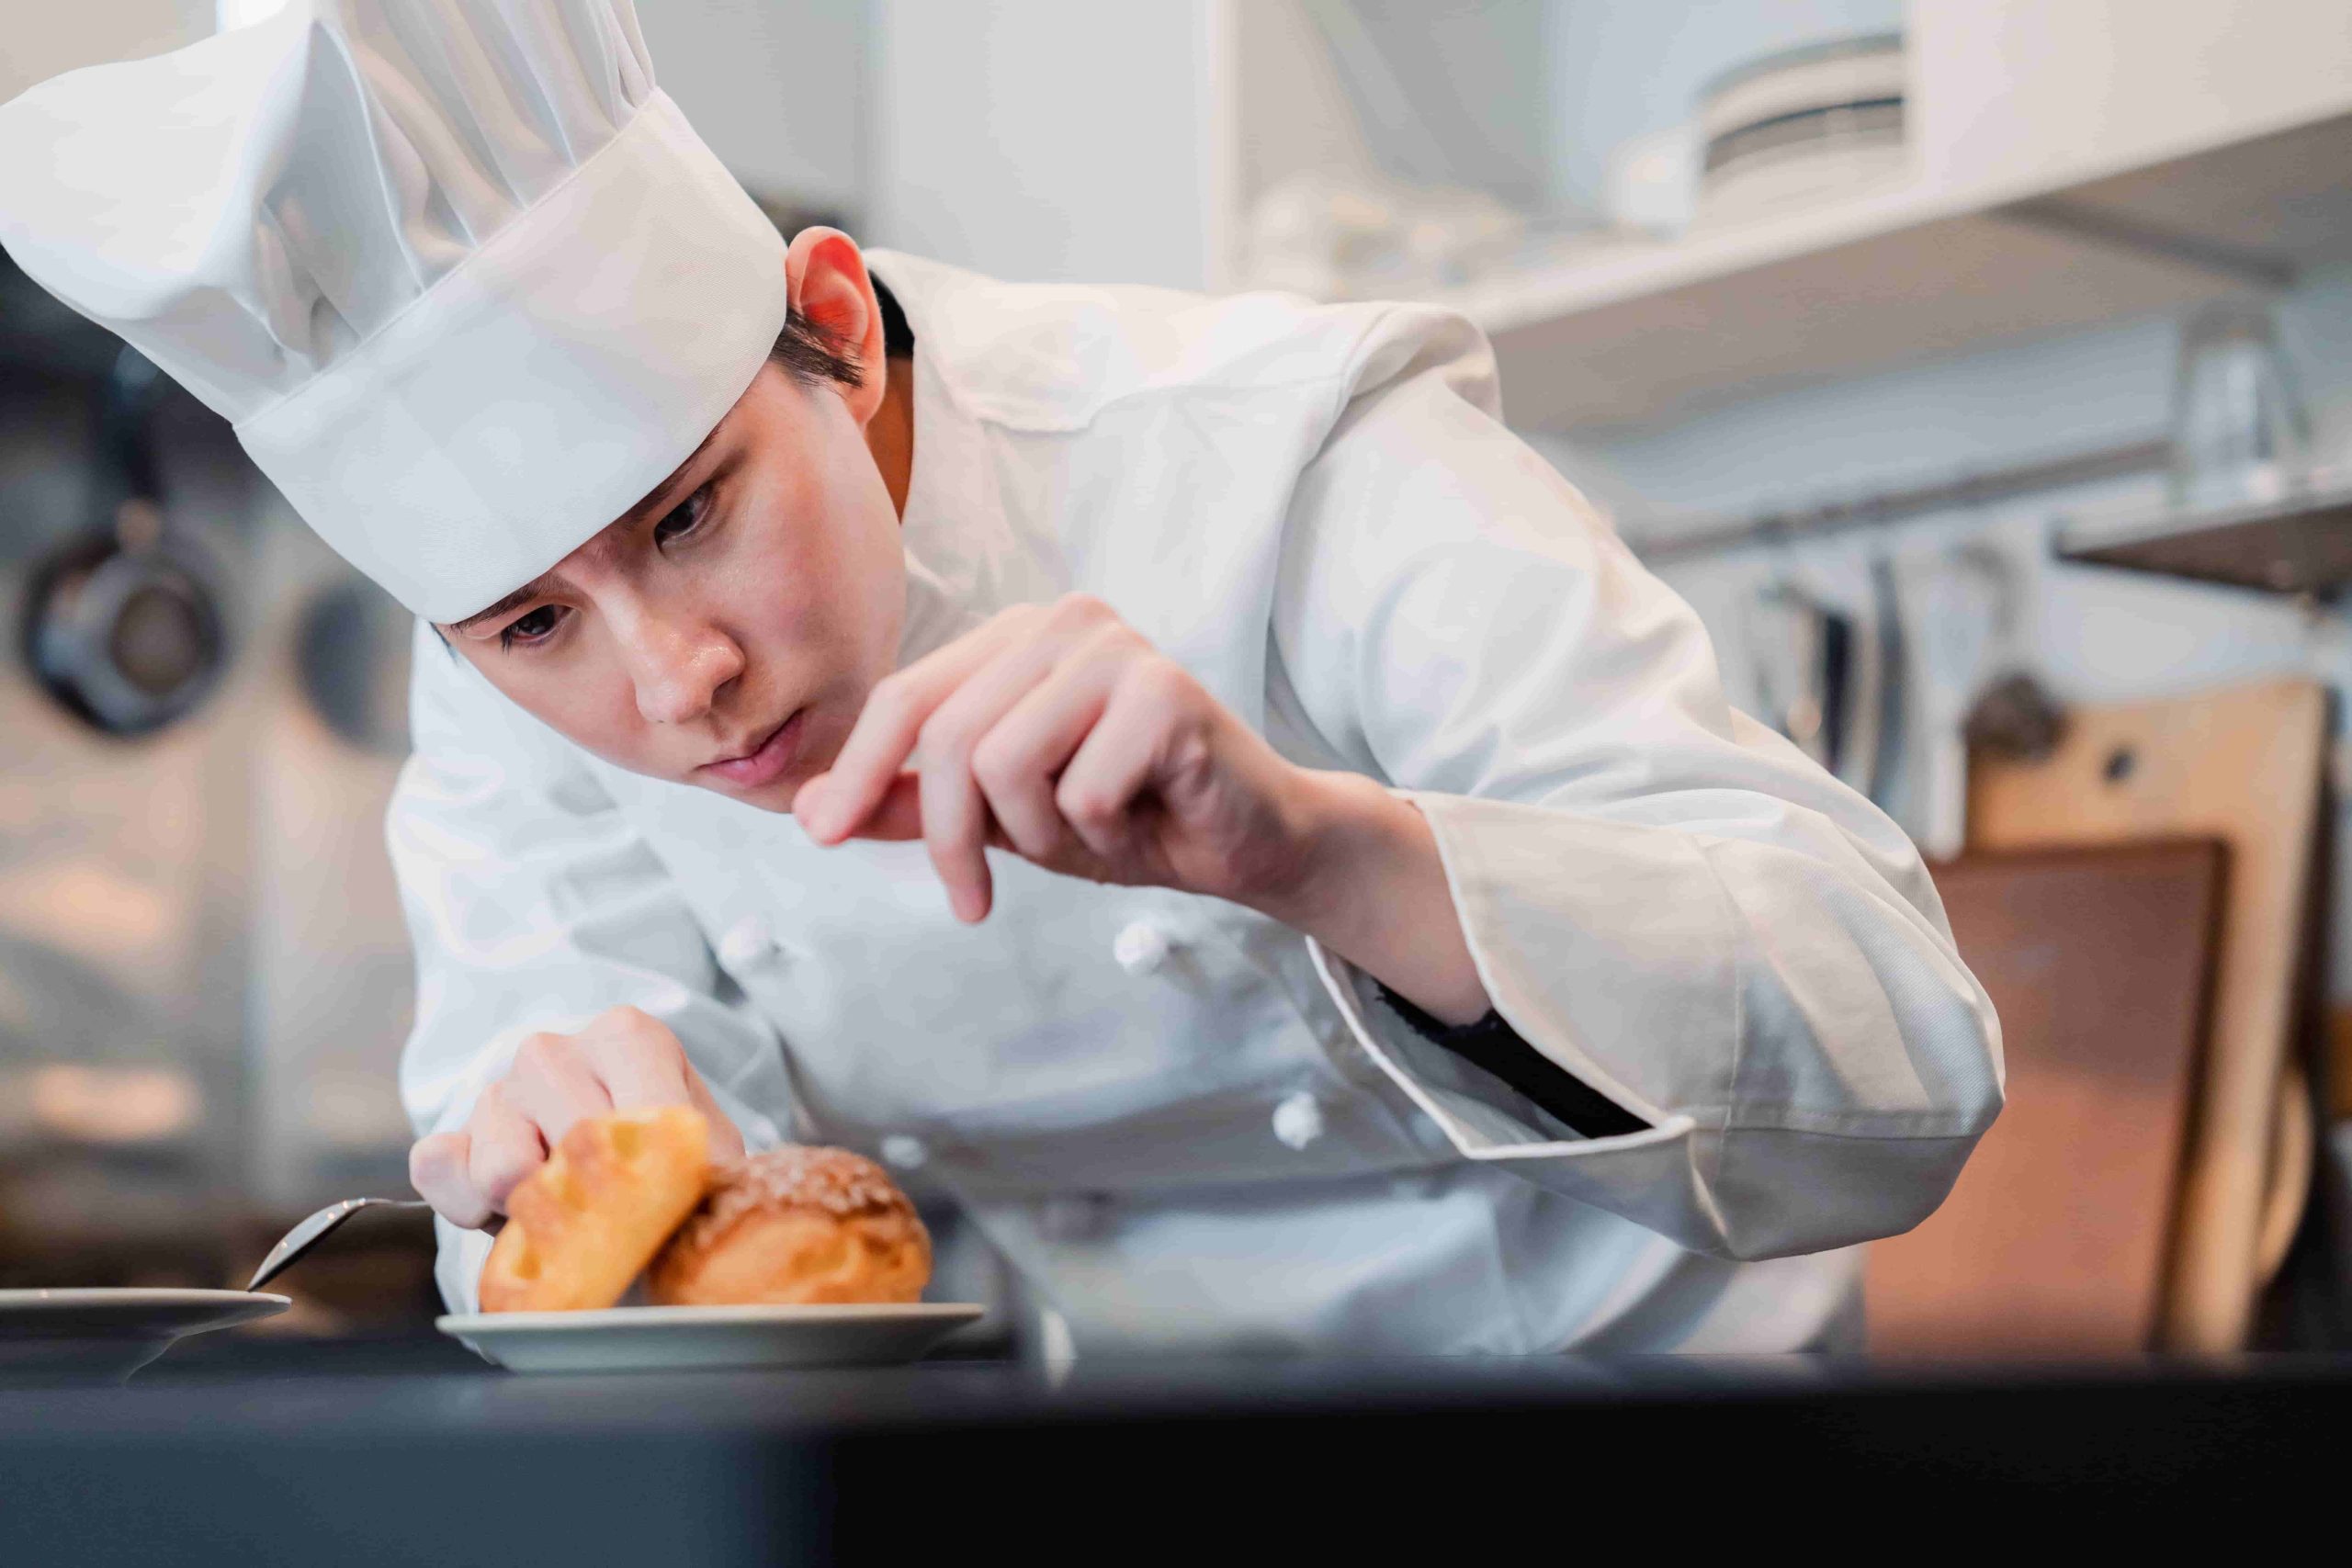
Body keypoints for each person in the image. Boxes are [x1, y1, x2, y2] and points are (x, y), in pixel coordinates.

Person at [0, 0, 2000, 1353]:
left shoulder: (1287, 452)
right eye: (532, 621)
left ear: (839, 325)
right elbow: (592, 1258)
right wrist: (525, 1174)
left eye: (691, 511)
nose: (673, 681)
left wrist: (1313, 851)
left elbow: (1904, 1057)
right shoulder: (513, 694)